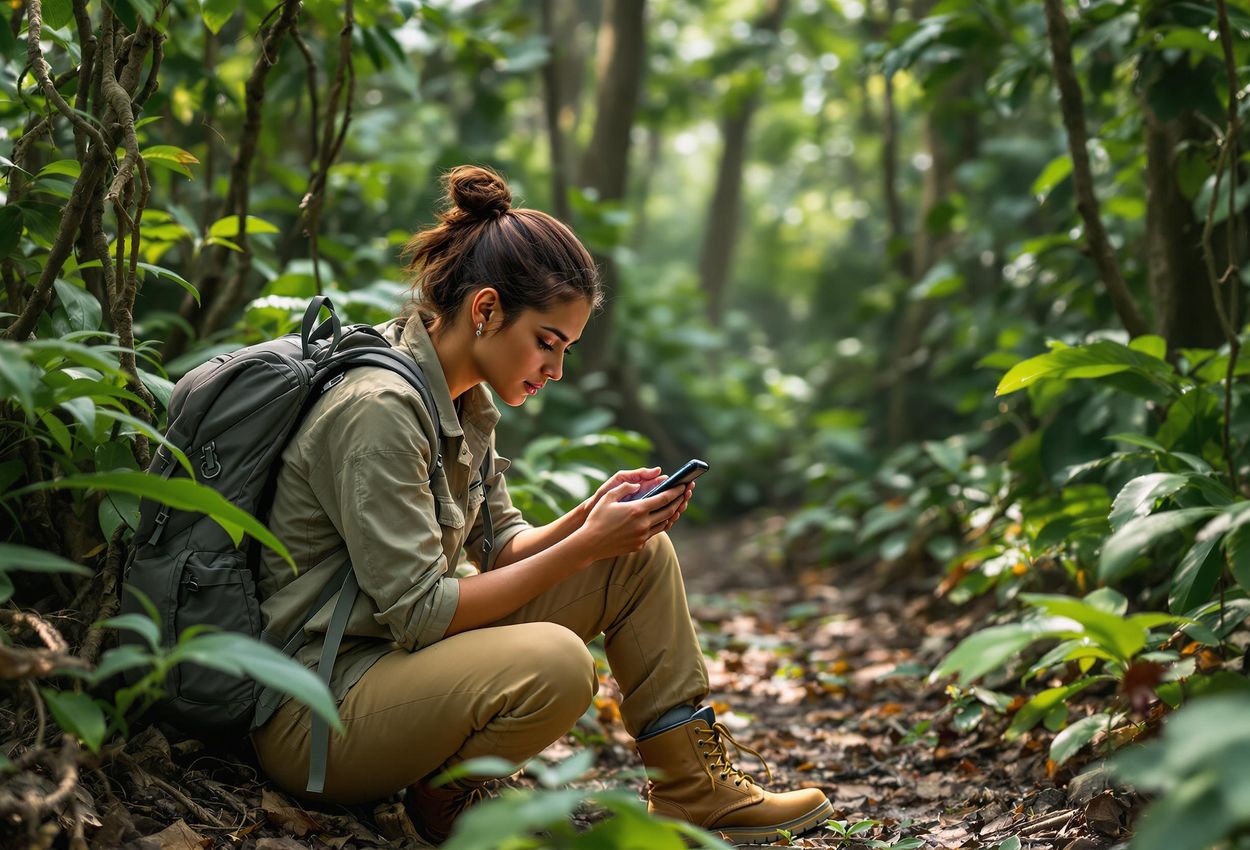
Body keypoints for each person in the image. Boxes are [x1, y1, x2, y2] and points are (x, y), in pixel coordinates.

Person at [249, 165, 833, 845]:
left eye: (567, 349)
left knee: (638, 555)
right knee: (557, 663)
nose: (555, 370)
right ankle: (445, 802)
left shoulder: (463, 399)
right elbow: (420, 612)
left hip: (390, 668)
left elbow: (502, 547)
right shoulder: (380, 409)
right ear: (486, 309)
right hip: (318, 716)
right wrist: (587, 544)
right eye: (548, 343)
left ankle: (695, 793)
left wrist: (592, 518)